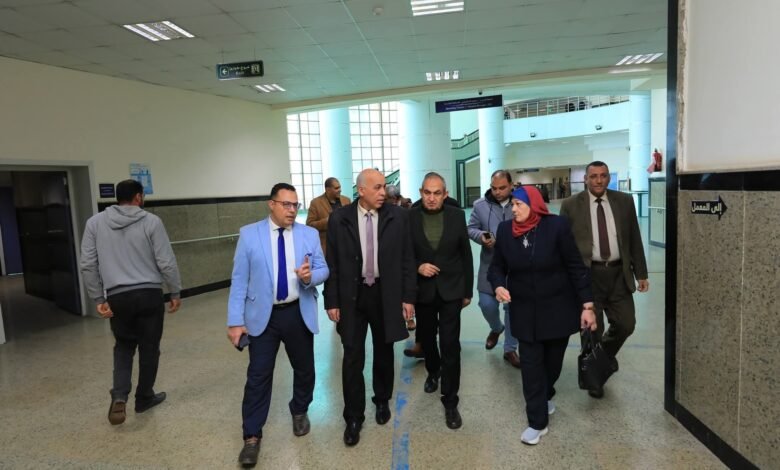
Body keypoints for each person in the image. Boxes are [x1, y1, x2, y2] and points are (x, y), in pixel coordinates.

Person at [227, 183, 328, 467]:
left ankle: (299, 409)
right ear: (271, 204)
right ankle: (251, 436)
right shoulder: (249, 235)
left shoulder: (308, 234)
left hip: (297, 312)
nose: (292, 210)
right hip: (263, 316)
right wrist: (235, 321)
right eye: (286, 204)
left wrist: (309, 277)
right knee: (258, 376)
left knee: (305, 369)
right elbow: (239, 280)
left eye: (295, 205)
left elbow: (324, 269)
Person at [488, 185, 596, 445]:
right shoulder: (505, 231)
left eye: (519, 204)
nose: (513, 210)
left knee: (552, 364)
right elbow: (496, 268)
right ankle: (537, 422)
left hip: (558, 308)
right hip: (524, 310)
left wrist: (587, 306)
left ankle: (545, 394)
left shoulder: (556, 227)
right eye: (512, 205)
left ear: (534, 205)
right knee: (531, 366)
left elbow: (575, 266)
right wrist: (499, 285)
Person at [324, 168, 416, 447]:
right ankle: (353, 416)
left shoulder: (398, 217)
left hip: (385, 294)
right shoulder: (340, 218)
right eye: (377, 187)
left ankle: (382, 399)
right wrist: (331, 300)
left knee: (384, 350)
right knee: (352, 355)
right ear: (361, 190)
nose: (383, 192)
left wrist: (408, 297)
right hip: (352, 296)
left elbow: (407, 259)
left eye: (384, 187)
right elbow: (332, 262)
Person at [79, 179, 181, 426]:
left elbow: (88, 264)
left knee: (123, 347)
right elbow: (165, 261)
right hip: (149, 294)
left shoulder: (95, 223)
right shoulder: (151, 221)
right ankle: (144, 397)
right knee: (149, 348)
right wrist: (175, 291)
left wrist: (98, 297)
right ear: (138, 197)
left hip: (117, 296)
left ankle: (119, 395)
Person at [559, 161, 649, 399]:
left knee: (626, 323)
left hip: (619, 274)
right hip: (588, 276)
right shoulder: (570, 205)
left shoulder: (624, 202)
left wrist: (641, 272)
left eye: (603, 175)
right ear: (585, 179)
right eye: (593, 176)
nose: (598, 180)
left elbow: (634, 238)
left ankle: (605, 356)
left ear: (609, 177)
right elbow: (563, 245)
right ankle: (594, 379)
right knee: (591, 331)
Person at [408, 172, 472, 429]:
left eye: (437, 193)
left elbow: (466, 254)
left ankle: (450, 400)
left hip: (451, 289)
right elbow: (403, 254)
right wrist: (418, 266)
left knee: (450, 344)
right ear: (421, 193)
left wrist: (467, 291)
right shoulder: (410, 217)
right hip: (423, 291)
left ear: (445, 194)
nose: (432, 198)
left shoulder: (457, 216)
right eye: (427, 193)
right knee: (426, 338)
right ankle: (433, 370)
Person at [467, 170, 521, 368]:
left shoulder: (520, 203)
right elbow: (470, 228)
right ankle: (496, 328)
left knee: (511, 308)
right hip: (489, 265)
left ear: (511, 186)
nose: (497, 192)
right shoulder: (480, 205)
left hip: (516, 267)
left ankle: (510, 349)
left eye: (502, 188)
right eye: (494, 188)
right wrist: (481, 236)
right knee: (486, 304)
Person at [306, 177, 351, 255]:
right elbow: (309, 225)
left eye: (340, 187)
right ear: (328, 190)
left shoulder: (346, 200)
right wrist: (327, 221)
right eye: (336, 188)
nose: (340, 190)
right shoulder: (315, 203)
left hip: (346, 246)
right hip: (327, 248)